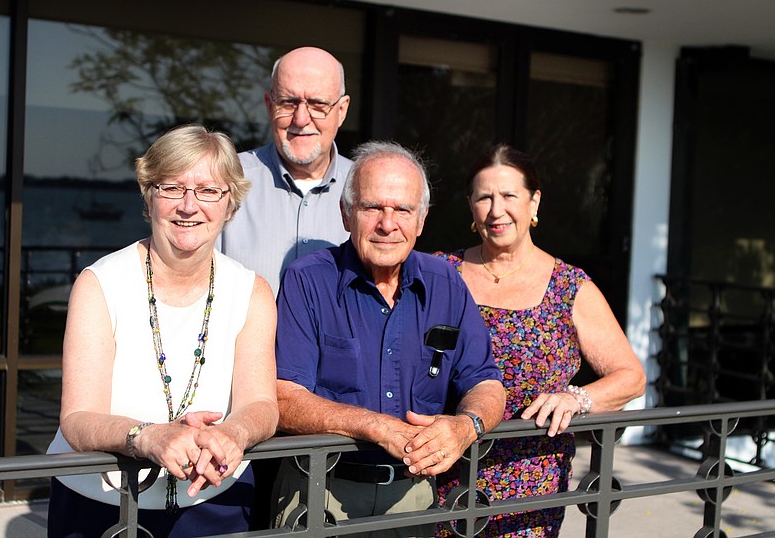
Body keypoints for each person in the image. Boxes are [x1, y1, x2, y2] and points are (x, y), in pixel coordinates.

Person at [47, 125, 279, 537]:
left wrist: (232, 433)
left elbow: (261, 402)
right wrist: (148, 436)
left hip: (213, 499)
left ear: (230, 205)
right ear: (148, 195)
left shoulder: (252, 292)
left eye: (209, 190)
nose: (189, 206)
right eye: (172, 187)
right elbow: (78, 418)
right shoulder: (99, 284)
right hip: (103, 502)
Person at [272, 141, 507, 536]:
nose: (387, 224)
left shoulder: (446, 283)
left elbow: (484, 379)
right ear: (346, 214)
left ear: (421, 220)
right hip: (321, 490)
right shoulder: (307, 280)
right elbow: (282, 396)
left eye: (402, 210)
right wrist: (374, 426)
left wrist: (466, 427)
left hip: (415, 495)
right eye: (372, 208)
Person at [434, 144, 646, 537]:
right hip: (443, 473)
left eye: (509, 196)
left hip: (530, 487)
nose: (497, 211)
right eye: (484, 197)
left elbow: (631, 377)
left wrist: (576, 399)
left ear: (534, 203)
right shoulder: (440, 273)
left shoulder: (569, 286)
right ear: (470, 206)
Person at [220, 46, 353, 295]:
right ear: (270, 106)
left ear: (342, 110)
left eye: (317, 104)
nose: (301, 119)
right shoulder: (224, 179)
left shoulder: (369, 191)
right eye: (288, 102)